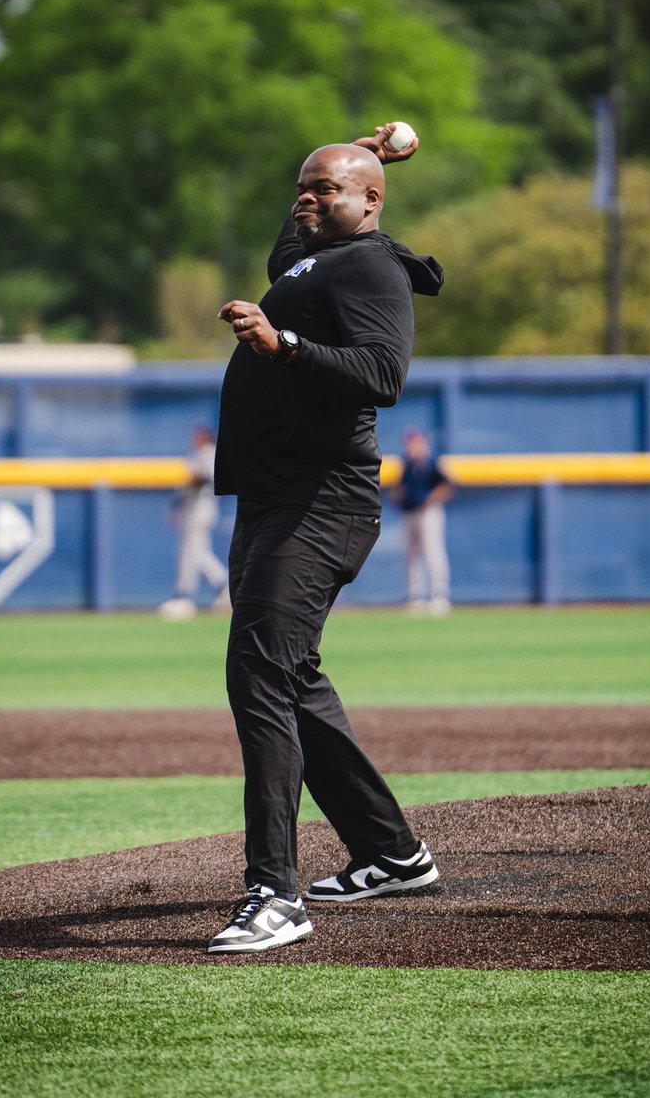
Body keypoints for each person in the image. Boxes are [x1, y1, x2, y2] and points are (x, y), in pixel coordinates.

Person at [206, 124, 444, 955]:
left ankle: (277, 895)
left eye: (327, 189)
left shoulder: (374, 266)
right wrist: (344, 149)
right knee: (291, 675)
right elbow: (289, 244)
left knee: (259, 671)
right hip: (272, 500)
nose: (307, 200)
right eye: (303, 188)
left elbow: (384, 375)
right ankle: (390, 852)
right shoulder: (307, 261)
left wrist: (285, 344)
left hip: (322, 500)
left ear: (372, 202)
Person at [158, 425, 229, 620]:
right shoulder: (197, 454)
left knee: (191, 553)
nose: (193, 439)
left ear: (205, 437)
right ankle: (222, 590)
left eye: (197, 436)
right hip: (192, 508)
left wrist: (190, 478)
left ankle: (184, 597)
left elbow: (205, 478)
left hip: (200, 508)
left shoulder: (208, 453)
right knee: (196, 552)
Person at [391, 428, 453, 616]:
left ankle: (439, 596)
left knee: (433, 552)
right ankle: (416, 596)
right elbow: (401, 486)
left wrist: (432, 498)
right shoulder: (406, 462)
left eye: (414, 441)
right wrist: (398, 496)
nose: (411, 445)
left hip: (429, 512)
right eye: (409, 441)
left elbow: (447, 484)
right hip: (409, 512)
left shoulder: (431, 461)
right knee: (411, 555)